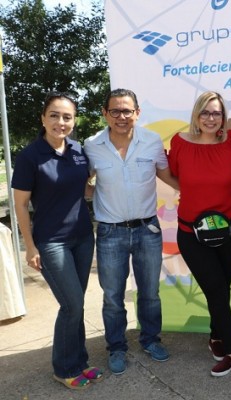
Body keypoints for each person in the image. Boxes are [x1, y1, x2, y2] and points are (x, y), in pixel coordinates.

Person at [84, 88, 179, 375]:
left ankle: (150, 340)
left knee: (150, 292)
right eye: (115, 110)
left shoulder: (151, 141)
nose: (121, 116)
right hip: (110, 233)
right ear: (105, 113)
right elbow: (85, 184)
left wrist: (201, 195)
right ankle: (117, 347)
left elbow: (168, 176)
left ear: (137, 113)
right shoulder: (91, 145)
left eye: (127, 111)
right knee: (113, 296)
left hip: (147, 230)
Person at [12, 91, 103, 390]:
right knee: (72, 305)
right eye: (54, 115)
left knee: (75, 305)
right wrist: (30, 247)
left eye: (67, 117)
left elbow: (83, 189)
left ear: (74, 121)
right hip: (51, 242)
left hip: (81, 237)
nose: (60, 122)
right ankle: (63, 368)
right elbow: (21, 205)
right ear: (43, 118)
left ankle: (80, 362)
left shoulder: (78, 150)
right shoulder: (29, 156)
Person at [167, 91, 231, 377]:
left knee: (220, 289)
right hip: (192, 232)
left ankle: (216, 336)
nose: (211, 118)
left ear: (223, 117)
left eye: (217, 113)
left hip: (229, 230)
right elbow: (173, 174)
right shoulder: (179, 143)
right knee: (214, 287)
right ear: (196, 115)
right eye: (206, 112)